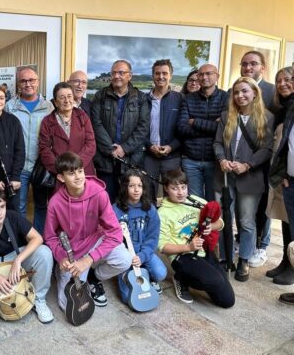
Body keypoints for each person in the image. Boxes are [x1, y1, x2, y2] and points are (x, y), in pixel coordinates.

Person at [44, 152, 132, 309]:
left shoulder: (99, 194)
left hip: (95, 240)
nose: (78, 176)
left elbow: (115, 233)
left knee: (125, 259)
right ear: (61, 178)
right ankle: (61, 272)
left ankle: (93, 275)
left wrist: (89, 259)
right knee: (69, 307)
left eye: (80, 170)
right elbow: (50, 237)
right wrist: (61, 257)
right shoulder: (55, 203)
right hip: (72, 251)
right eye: (71, 173)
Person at [213, 77, 273, 282]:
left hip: (250, 178)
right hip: (225, 177)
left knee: (247, 221)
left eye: (245, 91)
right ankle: (225, 257)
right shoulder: (225, 116)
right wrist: (221, 160)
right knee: (224, 220)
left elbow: (267, 148)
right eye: (236, 92)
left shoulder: (267, 117)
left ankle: (244, 259)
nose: (240, 96)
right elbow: (218, 143)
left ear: (255, 93)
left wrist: (247, 164)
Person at [0, 187, 54, 323]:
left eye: (2, 206)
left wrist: (18, 261)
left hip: (17, 254)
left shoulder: (13, 217)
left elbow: (37, 238)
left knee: (44, 252)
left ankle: (39, 299)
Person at [158, 169, 235, 308]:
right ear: (166, 189)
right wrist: (188, 247)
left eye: (183, 187)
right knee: (215, 281)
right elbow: (162, 247)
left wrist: (211, 226)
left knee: (227, 301)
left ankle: (199, 276)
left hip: (204, 252)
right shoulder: (163, 212)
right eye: (174, 188)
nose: (180, 192)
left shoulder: (197, 201)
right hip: (183, 256)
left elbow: (221, 223)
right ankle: (181, 279)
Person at [236, 51, 276, 269]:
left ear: (263, 67)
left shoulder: (272, 90)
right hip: (242, 162)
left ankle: (262, 245)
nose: (248, 67)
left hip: (267, 159)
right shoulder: (238, 88)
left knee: (264, 207)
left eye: (253, 64)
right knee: (246, 210)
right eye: (244, 64)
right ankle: (243, 242)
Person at [91, 59, 150, 203]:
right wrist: (111, 149)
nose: (117, 76)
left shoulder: (140, 98)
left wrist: (124, 148)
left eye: (121, 72)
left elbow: (143, 127)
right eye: (114, 73)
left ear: (130, 76)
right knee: (106, 202)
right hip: (106, 159)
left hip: (131, 159)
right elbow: (96, 124)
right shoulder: (101, 95)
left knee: (129, 202)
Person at [5, 66, 54, 233]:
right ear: (18, 84)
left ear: (38, 82)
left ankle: (39, 239)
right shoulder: (10, 107)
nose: (28, 84)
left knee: (42, 206)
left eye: (31, 80)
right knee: (19, 207)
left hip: (41, 167)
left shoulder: (49, 107)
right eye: (23, 81)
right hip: (18, 168)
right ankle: (22, 241)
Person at [114, 170, 167, 304]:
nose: (136, 190)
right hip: (125, 256)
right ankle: (124, 273)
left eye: (140, 186)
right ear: (125, 187)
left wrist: (143, 256)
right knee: (128, 298)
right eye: (132, 186)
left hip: (143, 252)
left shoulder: (150, 209)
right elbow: (112, 239)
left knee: (160, 273)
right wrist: (126, 256)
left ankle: (148, 276)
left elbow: (152, 238)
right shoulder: (116, 209)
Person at [177, 63, 229, 201]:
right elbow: (182, 128)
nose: (204, 77)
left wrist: (195, 122)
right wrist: (213, 126)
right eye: (201, 74)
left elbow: (224, 129)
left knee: (214, 203)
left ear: (217, 76)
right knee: (195, 202)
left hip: (216, 161)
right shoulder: (188, 99)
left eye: (208, 73)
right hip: (191, 160)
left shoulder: (226, 98)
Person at [266, 67, 294, 285]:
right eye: (279, 80)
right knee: (287, 222)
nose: (282, 83)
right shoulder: (283, 109)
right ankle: (286, 261)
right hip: (285, 175)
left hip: (289, 174)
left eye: (288, 79)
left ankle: (292, 269)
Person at [143, 59, 183, 202]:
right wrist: (149, 145)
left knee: (172, 195)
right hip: (149, 155)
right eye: (157, 73)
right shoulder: (143, 100)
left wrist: (171, 147)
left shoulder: (179, 99)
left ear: (170, 75)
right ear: (153, 75)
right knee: (148, 194)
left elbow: (183, 129)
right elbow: (138, 128)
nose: (161, 77)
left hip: (172, 156)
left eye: (164, 73)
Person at [39, 82, 96, 179]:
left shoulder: (83, 116)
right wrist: (60, 169)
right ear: (56, 102)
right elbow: (44, 149)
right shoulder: (47, 121)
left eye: (69, 96)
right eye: (62, 97)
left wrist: (76, 166)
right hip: (61, 175)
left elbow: (90, 144)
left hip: (84, 171)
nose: (67, 100)